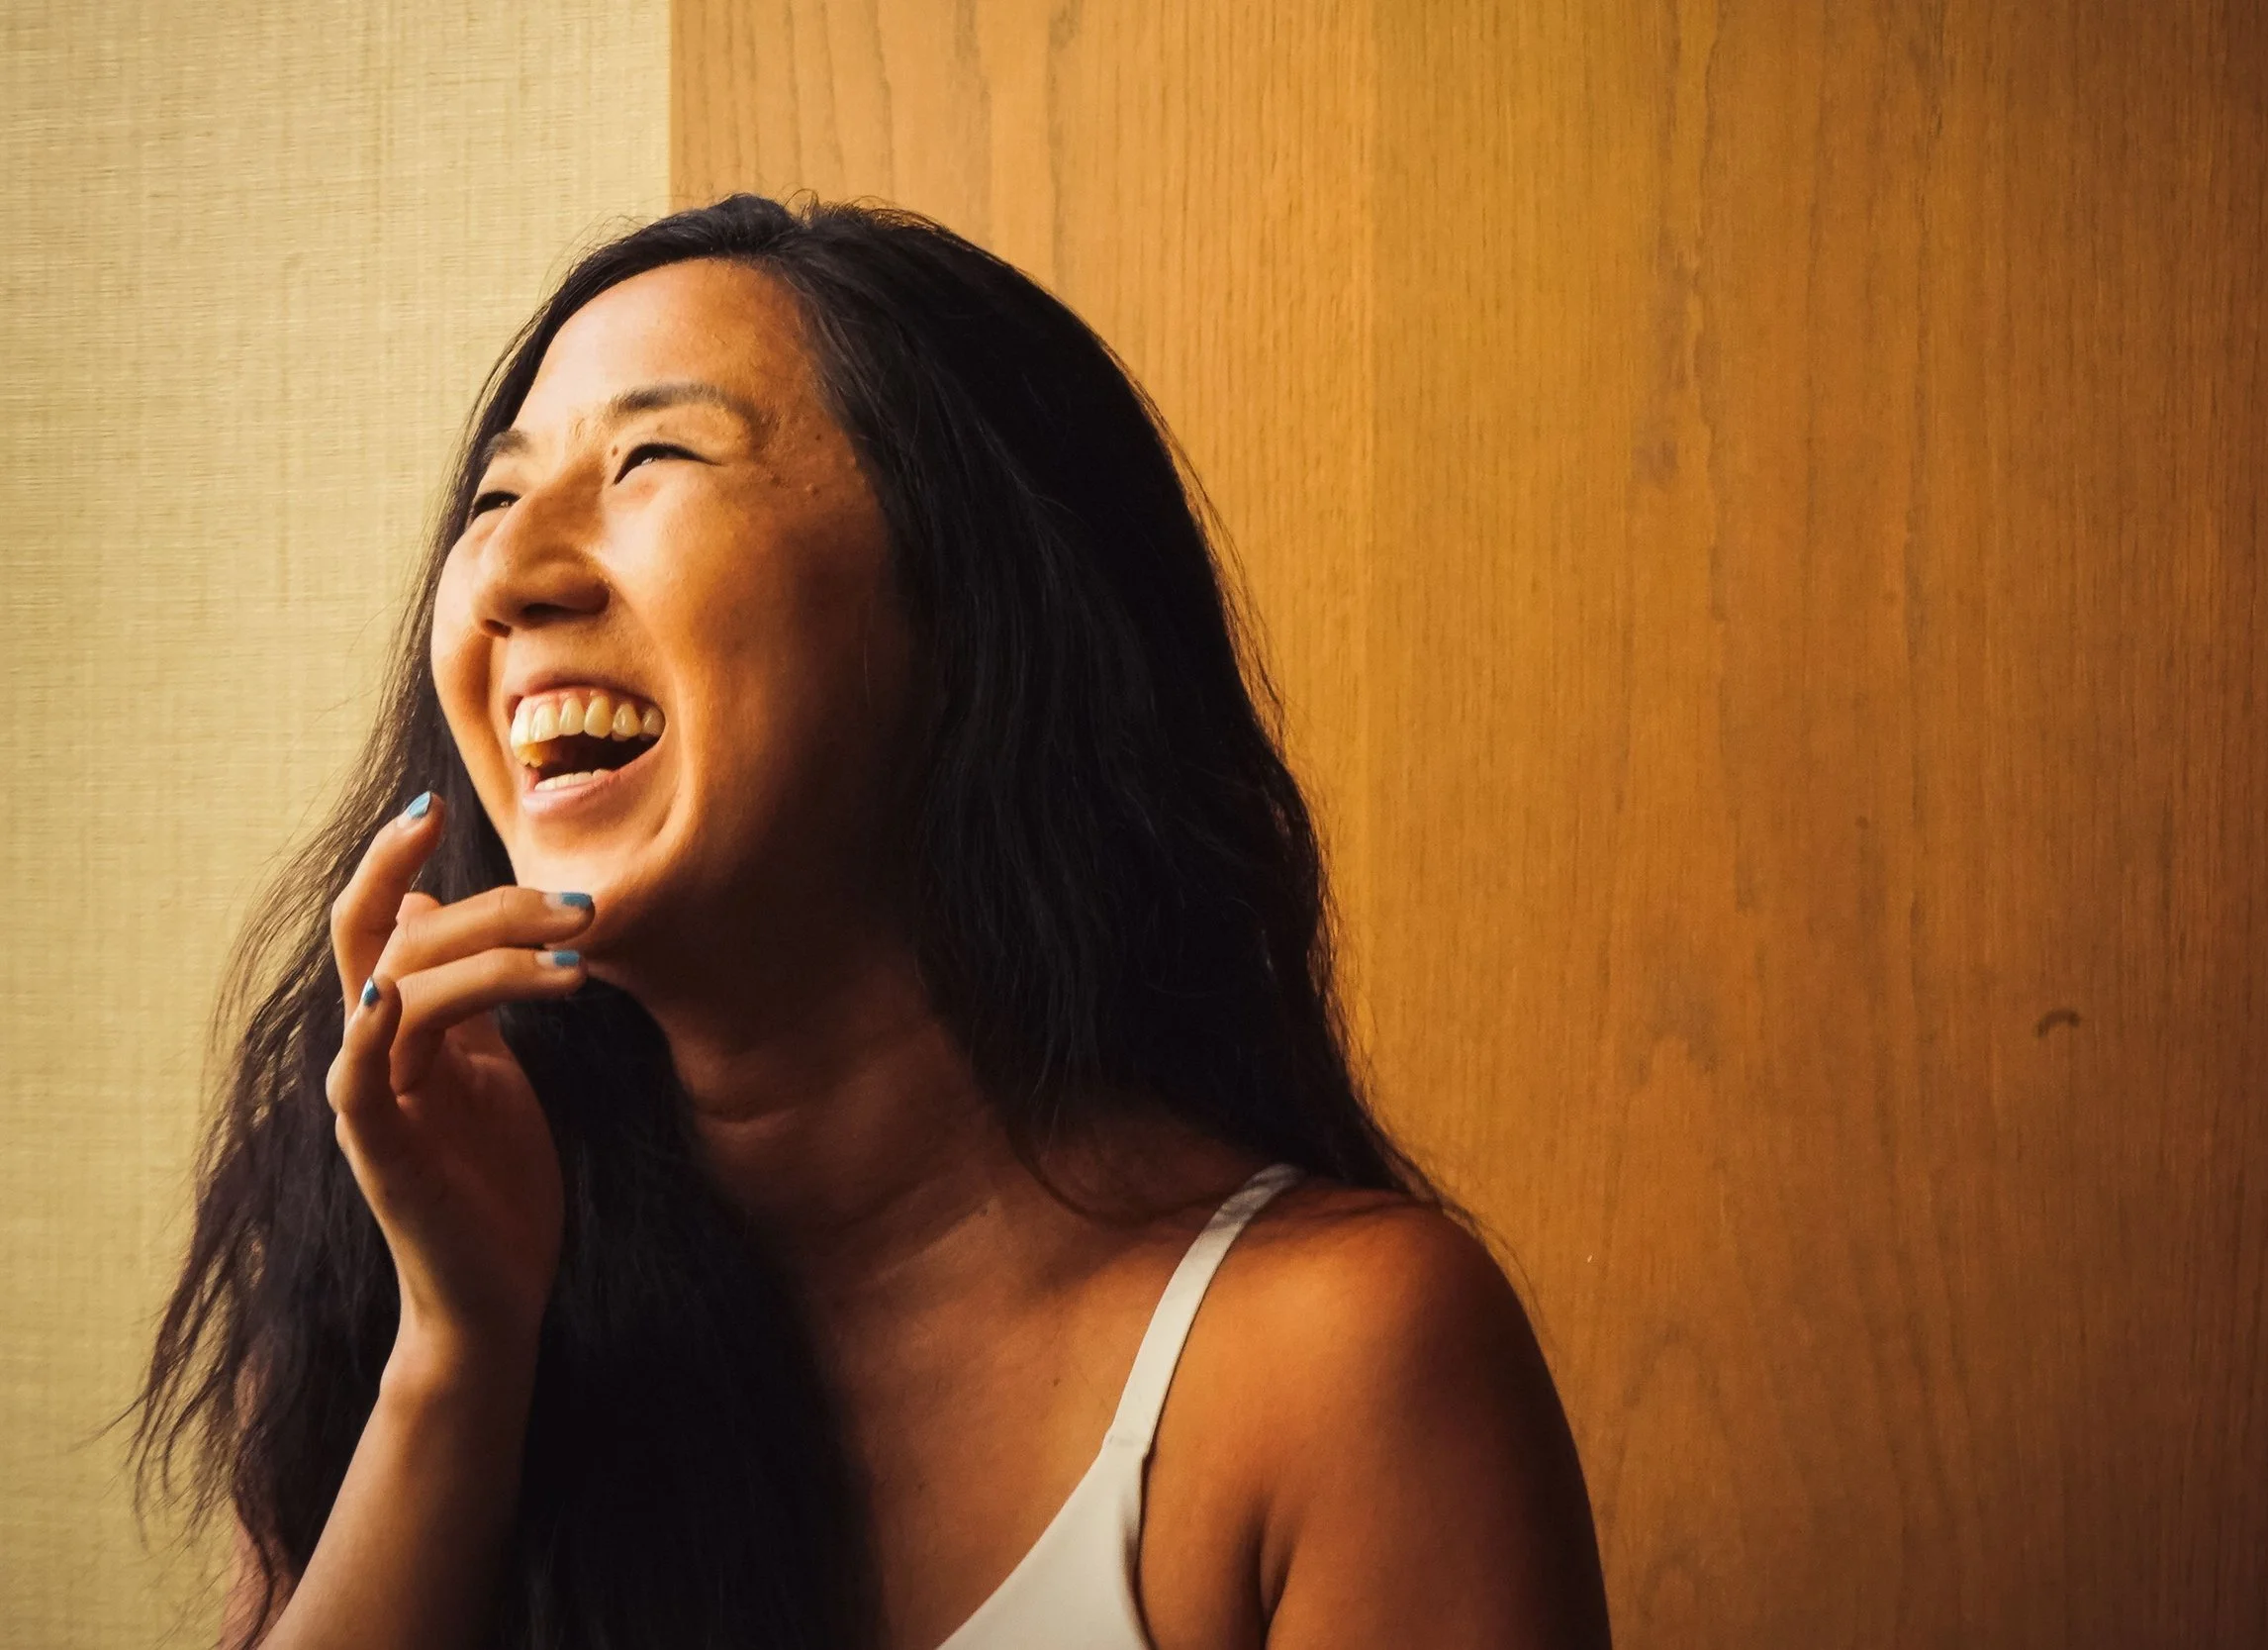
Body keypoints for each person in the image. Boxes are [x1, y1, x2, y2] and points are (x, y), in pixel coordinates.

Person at [136, 194, 1611, 1650]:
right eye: (495, 502)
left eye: (653, 457)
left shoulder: (1342, 1357)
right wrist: (456, 1359)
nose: (512, 581)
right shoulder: (393, 1270)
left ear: (965, 611)